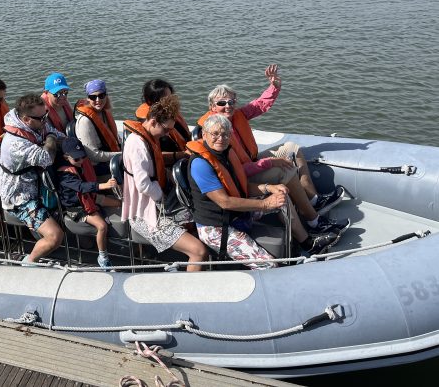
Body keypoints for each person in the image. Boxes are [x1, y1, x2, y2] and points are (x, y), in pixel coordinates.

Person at [198, 65, 349, 235]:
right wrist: (269, 162)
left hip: (252, 163)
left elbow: (260, 104)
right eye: (221, 103)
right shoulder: (215, 134)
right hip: (242, 176)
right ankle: (313, 221)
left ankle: (313, 199)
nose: (228, 106)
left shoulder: (237, 116)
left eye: (231, 102)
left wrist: (274, 86)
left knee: (292, 149)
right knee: (284, 171)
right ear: (212, 106)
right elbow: (235, 170)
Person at [187, 114, 341, 269]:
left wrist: (269, 188)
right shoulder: (201, 165)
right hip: (217, 227)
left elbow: (241, 187)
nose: (221, 138)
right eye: (215, 134)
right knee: (269, 265)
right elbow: (225, 202)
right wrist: (265, 204)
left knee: (280, 198)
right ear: (204, 135)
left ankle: (308, 244)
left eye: (225, 134)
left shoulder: (226, 153)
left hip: (238, 214)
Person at [121, 95, 207, 272]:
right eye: (166, 130)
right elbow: (144, 185)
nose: (168, 134)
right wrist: (163, 198)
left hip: (158, 204)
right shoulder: (137, 145)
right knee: (199, 252)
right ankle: (189, 291)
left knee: (203, 217)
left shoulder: (149, 138)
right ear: (153, 122)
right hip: (145, 214)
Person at [0, 94, 65, 264]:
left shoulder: (36, 123)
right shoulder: (15, 143)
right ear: (26, 119)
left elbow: (58, 135)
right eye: (42, 118)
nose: (45, 120)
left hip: (36, 185)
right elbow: (46, 157)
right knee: (55, 236)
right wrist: (50, 137)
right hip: (20, 197)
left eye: (46, 116)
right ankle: (29, 262)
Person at [56, 137, 117, 269]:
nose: (81, 161)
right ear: (66, 157)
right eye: (76, 159)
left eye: (83, 157)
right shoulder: (65, 175)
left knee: (121, 203)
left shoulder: (81, 165)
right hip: (77, 208)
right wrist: (104, 185)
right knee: (102, 226)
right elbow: (81, 187)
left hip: (90, 198)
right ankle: (103, 257)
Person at [135, 78, 192, 162]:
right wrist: (182, 155)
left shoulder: (171, 114)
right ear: (150, 101)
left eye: (171, 97)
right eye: (165, 99)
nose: (170, 102)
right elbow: (153, 155)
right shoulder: (150, 126)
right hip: (172, 164)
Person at [75, 79, 121, 177]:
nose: (98, 100)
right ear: (88, 98)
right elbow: (93, 155)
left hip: (110, 157)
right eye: (93, 97)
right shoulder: (85, 121)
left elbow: (116, 137)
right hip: (96, 166)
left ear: (106, 95)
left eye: (101, 95)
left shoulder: (105, 113)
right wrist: (121, 155)